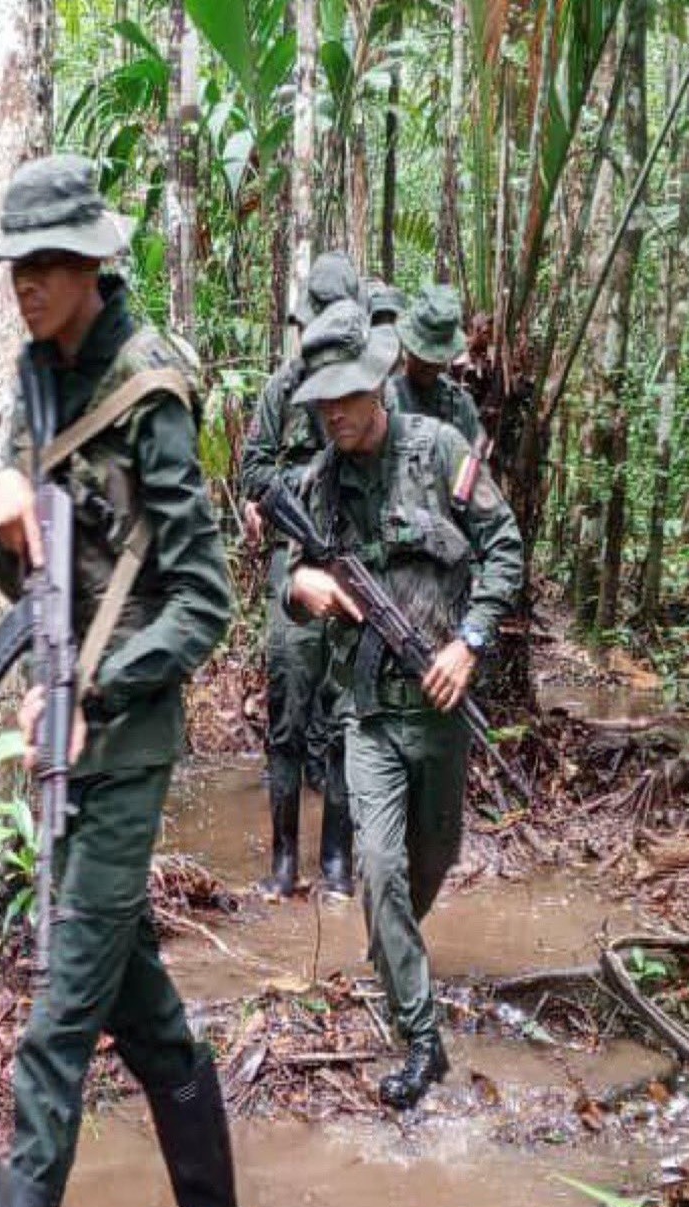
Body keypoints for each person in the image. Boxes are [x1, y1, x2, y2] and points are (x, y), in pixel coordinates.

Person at [0, 154, 248, 1207]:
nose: (23, 286)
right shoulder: (39, 378)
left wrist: (100, 687)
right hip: (54, 719)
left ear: (91, 264)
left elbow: (205, 600)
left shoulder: (147, 395)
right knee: (136, 1004)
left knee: (52, 1035)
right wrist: (1, 505)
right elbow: (34, 562)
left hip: (120, 743)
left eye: (43, 265)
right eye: (13, 266)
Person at [279, 301, 525, 1110]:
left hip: (440, 708)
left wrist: (471, 641)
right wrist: (300, 585)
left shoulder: (440, 451)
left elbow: (503, 545)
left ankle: (394, 958)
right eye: (325, 400)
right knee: (380, 870)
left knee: (430, 862)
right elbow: (287, 577)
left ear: (380, 383)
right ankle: (423, 1041)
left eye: (350, 395)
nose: (338, 412)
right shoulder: (316, 486)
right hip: (369, 716)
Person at [237, 251, 362, 900]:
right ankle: (285, 863)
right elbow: (252, 470)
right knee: (287, 717)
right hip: (293, 561)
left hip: (357, 568)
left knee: (345, 718)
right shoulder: (282, 389)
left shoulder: (371, 389)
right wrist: (298, 486)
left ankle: (336, 865)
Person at [388, 284, 485, 445]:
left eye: (436, 360)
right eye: (423, 358)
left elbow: (477, 461)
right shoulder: (385, 400)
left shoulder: (460, 406)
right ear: (408, 347)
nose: (430, 365)